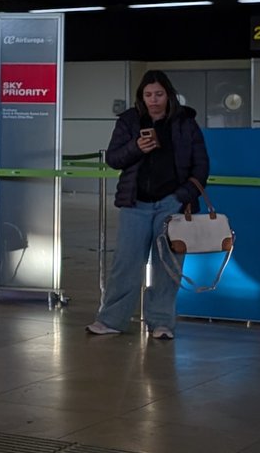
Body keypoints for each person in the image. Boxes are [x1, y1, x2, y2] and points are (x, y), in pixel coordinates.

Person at [88, 70, 209, 342]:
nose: (153, 100)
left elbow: (201, 166)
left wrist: (182, 195)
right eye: (148, 94)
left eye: (159, 94)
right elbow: (114, 158)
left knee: (168, 266)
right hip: (135, 202)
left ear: (168, 95)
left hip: (172, 204)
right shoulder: (129, 121)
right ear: (141, 97)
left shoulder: (185, 123)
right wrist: (136, 147)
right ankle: (111, 319)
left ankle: (162, 323)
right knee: (126, 263)